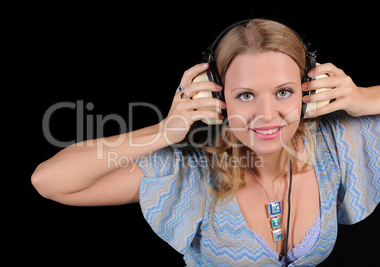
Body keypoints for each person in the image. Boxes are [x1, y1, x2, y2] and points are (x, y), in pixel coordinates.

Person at [31, 19, 380, 266]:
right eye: (245, 95)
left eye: (284, 92)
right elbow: (49, 181)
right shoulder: (191, 171)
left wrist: (363, 98)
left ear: (307, 91)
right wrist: (166, 131)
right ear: (218, 97)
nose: (267, 114)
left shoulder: (335, 146)